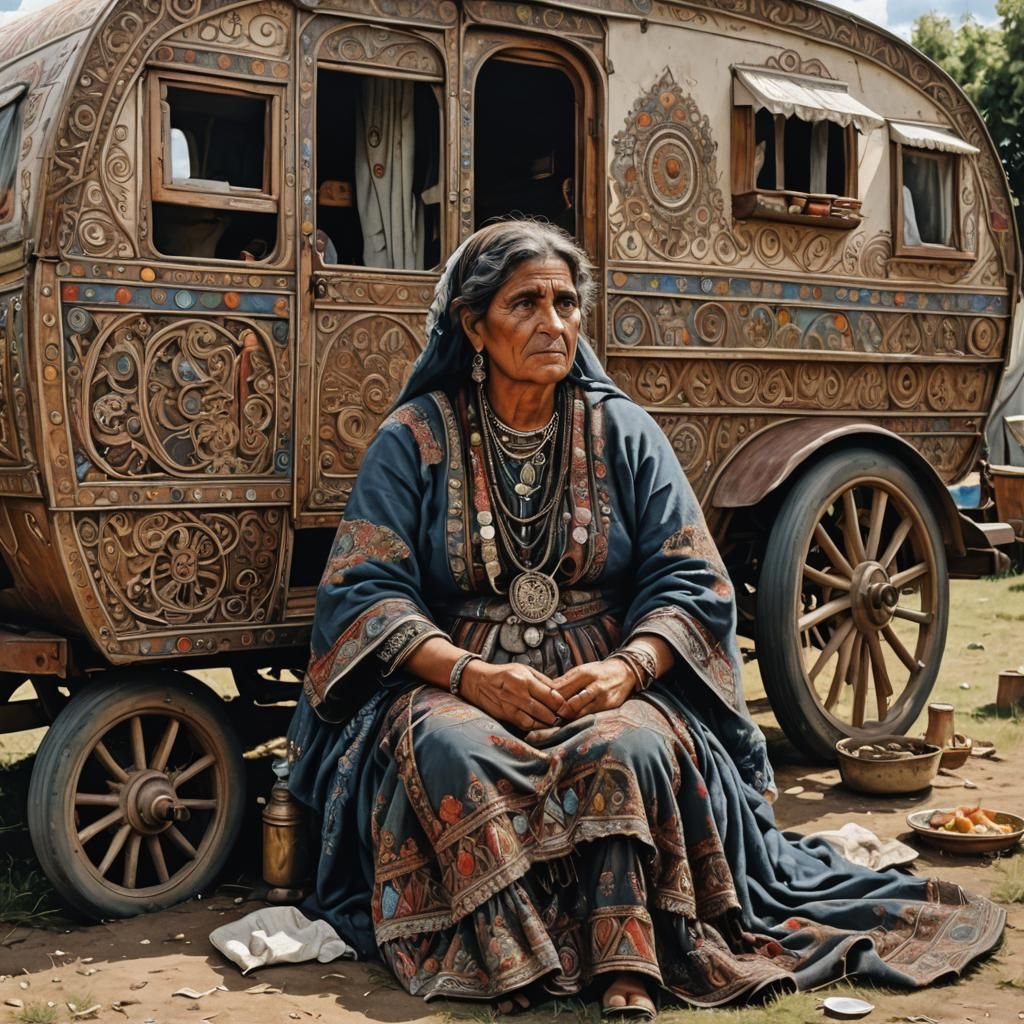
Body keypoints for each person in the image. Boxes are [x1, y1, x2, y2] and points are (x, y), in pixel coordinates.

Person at [286, 219, 1003, 1015]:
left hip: (609, 674)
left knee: (627, 747)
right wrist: (470, 675)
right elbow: (363, 589)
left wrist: (628, 668)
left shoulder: (622, 432)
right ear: (472, 325)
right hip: (456, 676)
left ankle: (628, 959)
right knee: (452, 749)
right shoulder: (414, 438)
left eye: (566, 303)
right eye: (525, 303)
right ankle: (508, 955)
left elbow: (692, 579)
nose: (553, 323)